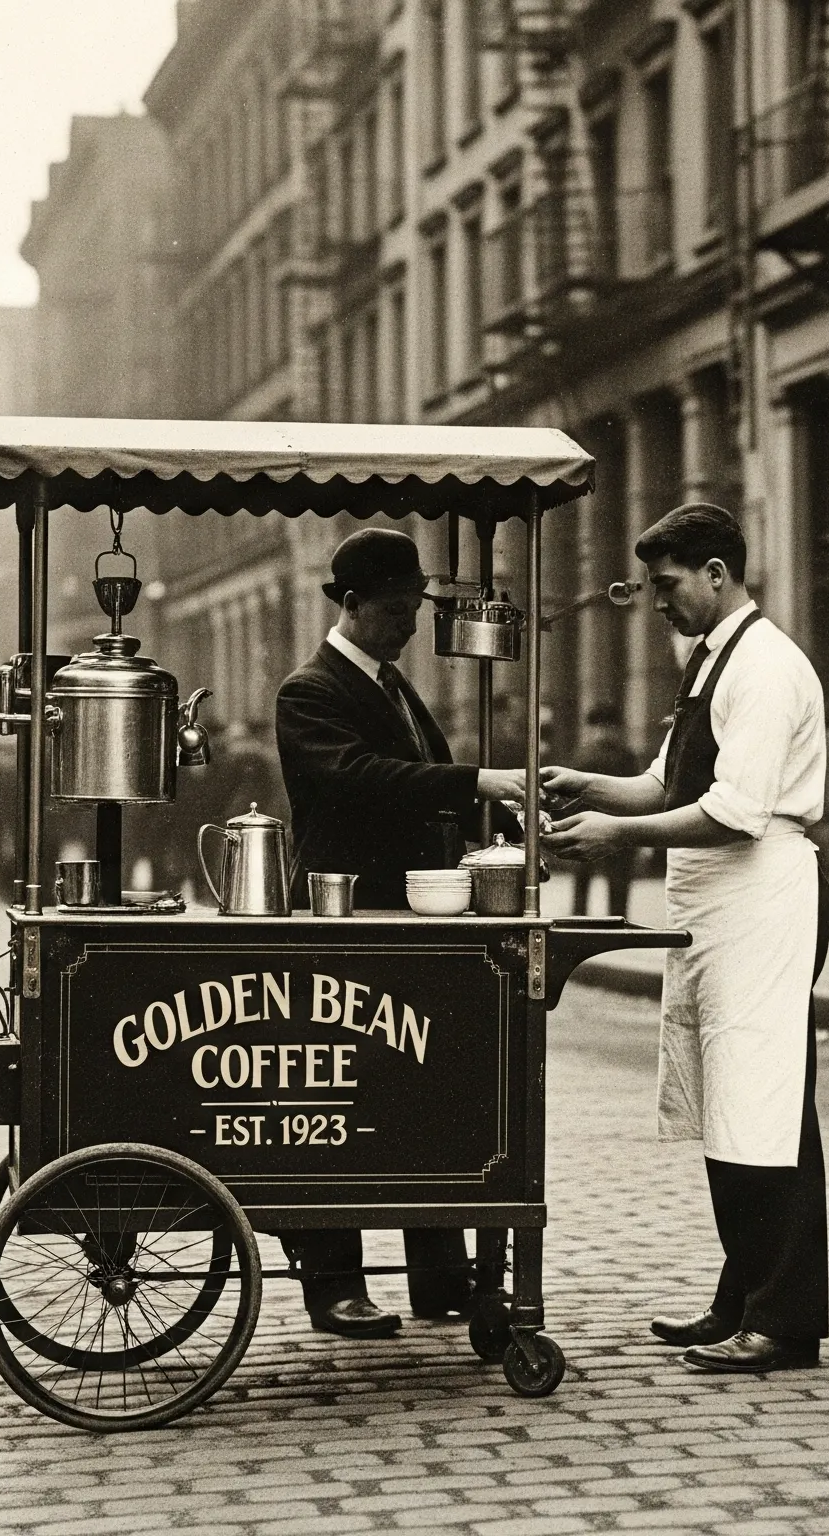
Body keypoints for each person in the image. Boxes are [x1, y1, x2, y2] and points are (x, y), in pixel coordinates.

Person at [542, 502, 829, 1372]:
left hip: (761, 896)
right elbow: (667, 783)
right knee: (726, 1103)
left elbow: (737, 814)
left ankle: (784, 1321)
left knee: (765, 1107)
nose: (655, 602)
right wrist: (585, 788)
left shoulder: (768, 669)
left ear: (716, 573)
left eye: (665, 586)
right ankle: (739, 1298)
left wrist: (615, 839)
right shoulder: (711, 664)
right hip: (716, 905)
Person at [273, 528, 527, 1339]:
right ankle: (335, 1283)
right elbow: (355, 780)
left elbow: (421, 789)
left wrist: (491, 841)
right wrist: (475, 778)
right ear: (349, 605)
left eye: (415, 609)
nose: (410, 625)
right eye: (394, 611)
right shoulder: (309, 690)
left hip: (410, 918)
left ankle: (440, 1274)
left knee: (418, 1089)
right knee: (332, 1096)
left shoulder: (391, 687)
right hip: (341, 918)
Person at [570, 703, 645, 917]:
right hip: (587, 823)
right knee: (584, 878)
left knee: (618, 880)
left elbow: (636, 795)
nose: (602, 733)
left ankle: (613, 920)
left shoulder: (624, 756)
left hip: (617, 824)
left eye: (606, 727)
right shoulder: (585, 756)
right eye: (598, 727)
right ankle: (580, 920)